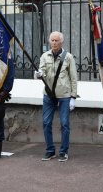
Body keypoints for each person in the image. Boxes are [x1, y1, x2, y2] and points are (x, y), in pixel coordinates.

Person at [34, 31, 77, 162]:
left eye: (56, 40)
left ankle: (63, 151)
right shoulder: (44, 56)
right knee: (46, 123)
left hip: (64, 95)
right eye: (52, 40)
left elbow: (73, 78)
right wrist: (39, 74)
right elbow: (42, 72)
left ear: (61, 42)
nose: (54, 43)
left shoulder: (68, 57)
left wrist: (73, 97)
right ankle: (50, 150)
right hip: (48, 94)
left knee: (64, 124)